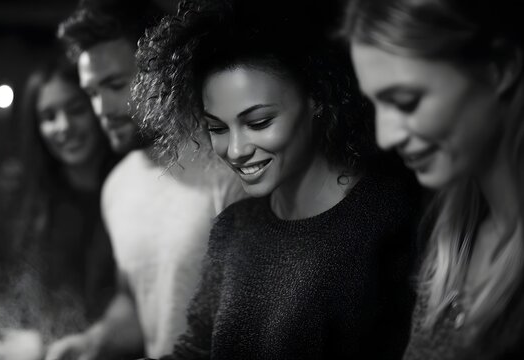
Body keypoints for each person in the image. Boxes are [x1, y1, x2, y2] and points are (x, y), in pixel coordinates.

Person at [131, 0, 423, 358]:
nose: (235, 149)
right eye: (217, 128)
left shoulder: (388, 215)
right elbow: (197, 349)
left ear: (316, 97)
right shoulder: (234, 228)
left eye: (258, 123)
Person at [45, 1, 246, 359]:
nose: (101, 109)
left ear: (163, 71)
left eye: (115, 85)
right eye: (91, 92)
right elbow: (134, 304)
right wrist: (92, 344)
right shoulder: (119, 184)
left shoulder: (233, 169)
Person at [340, 0, 524, 358]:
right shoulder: (450, 239)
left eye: (406, 102)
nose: (385, 137)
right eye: (376, 104)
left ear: (499, 68)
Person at [0, 47, 118, 341]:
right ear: (35, 126)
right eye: (48, 116)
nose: (64, 127)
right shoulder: (21, 194)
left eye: (76, 109)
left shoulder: (130, 188)